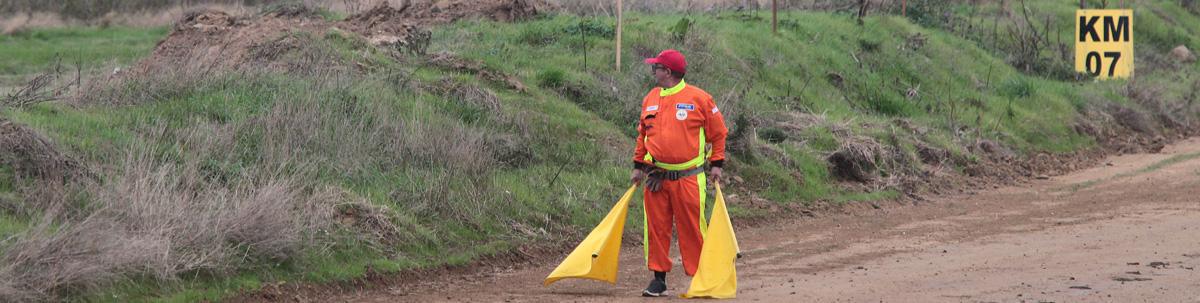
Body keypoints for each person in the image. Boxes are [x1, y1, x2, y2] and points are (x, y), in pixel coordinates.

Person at [630, 49, 728, 297]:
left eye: (657, 68)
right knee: (655, 229)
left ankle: (700, 278)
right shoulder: (650, 97)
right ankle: (658, 279)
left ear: (668, 72)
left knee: (692, 229)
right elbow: (643, 134)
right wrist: (638, 166)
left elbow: (719, 133)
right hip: (656, 179)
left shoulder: (700, 98)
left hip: (689, 179)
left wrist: (717, 163)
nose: (654, 72)